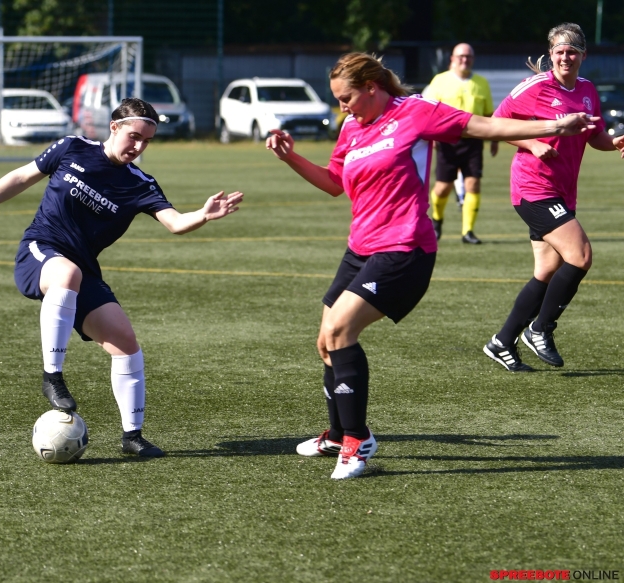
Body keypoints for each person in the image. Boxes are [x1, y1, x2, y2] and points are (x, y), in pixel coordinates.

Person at [265, 52, 597, 480]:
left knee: (341, 331)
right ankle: (337, 434)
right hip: (360, 248)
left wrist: (554, 126)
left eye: (346, 98)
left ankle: (357, 440)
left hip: (405, 249)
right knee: (325, 343)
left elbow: (485, 126)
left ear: (371, 88)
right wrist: (290, 157)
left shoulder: (416, 112)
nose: (341, 107)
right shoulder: (351, 127)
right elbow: (334, 183)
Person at [0, 97, 243, 457]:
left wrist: (203, 215)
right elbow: (21, 176)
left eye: (147, 141)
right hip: (41, 250)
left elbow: (175, 222)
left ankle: (132, 437)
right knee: (67, 273)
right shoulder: (73, 147)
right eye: (134, 137)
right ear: (114, 127)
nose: (139, 147)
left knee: (125, 342)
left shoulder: (141, 184)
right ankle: (52, 377)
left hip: (82, 270)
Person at [483, 23, 624, 372]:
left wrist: (614, 142)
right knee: (581, 255)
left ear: (583, 55)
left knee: (547, 270)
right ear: (550, 54)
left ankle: (502, 341)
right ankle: (540, 329)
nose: (565, 57)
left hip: (562, 190)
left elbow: (595, 136)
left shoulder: (587, 90)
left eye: (572, 51)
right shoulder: (535, 87)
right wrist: (532, 144)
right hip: (533, 187)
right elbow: (495, 124)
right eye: (559, 51)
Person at [425, 43, 498, 244]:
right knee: (443, 187)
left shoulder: (481, 82)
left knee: (473, 183)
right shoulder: (440, 81)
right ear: (452, 58)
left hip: (473, 141)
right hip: (446, 141)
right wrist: (431, 136)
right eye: (461, 56)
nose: (465, 60)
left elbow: (488, 114)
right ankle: (437, 221)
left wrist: (494, 139)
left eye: (468, 56)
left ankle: (468, 232)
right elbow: (428, 112)